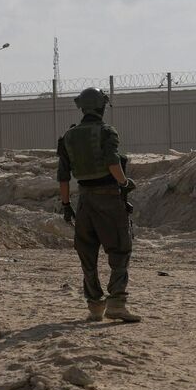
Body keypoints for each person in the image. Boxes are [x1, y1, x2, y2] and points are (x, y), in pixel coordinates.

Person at [57, 87, 140, 321]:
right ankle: (116, 303)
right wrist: (124, 183)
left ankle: (94, 306)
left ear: (82, 108)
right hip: (108, 198)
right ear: (102, 107)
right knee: (120, 251)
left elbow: (63, 176)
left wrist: (66, 205)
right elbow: (113, 163)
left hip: (84, 200)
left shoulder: (69, 137)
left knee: (87, 253)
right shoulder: (106, 132)